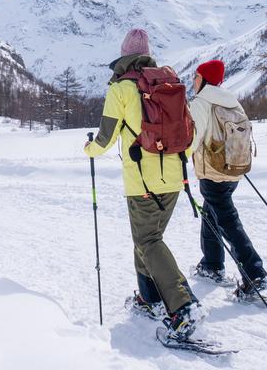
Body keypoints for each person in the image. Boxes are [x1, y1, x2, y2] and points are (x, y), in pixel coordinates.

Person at [84, 28, 204, 338]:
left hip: (142, 182)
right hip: (175, 178)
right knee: (148, 239)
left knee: (148, 241)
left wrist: (90, 150)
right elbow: (187, 132)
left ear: (124, 56)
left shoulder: (120, 89)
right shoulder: (169, 84)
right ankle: (149, 297)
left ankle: (182, 306)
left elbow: (106, 137)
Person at [189, 59, 267, 296]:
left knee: (227, 220)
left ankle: (255, 273)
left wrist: (178, 158)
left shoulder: (202, 103)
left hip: (213, 173)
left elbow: (192, 139)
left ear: (205, 80)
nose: (192, 81)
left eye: (196, 77)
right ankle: (212, 265)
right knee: (211, 214)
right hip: (233, 170)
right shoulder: (232, 101)